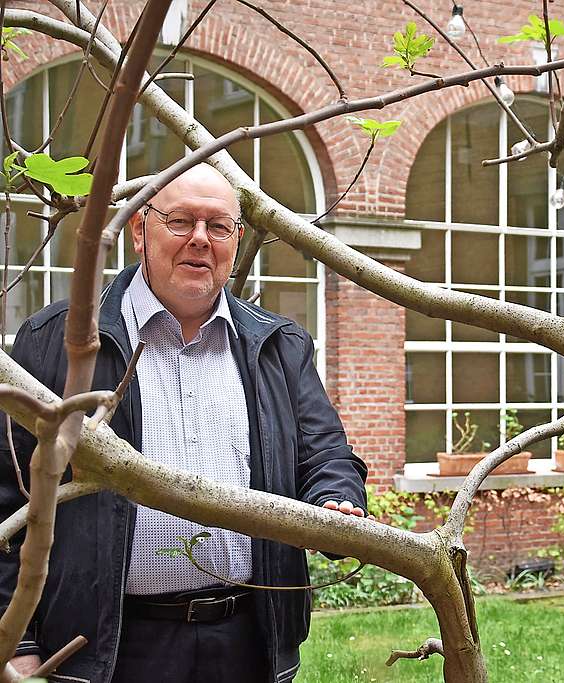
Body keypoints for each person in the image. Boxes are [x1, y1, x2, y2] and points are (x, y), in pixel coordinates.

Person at [0, 164, 368, 683]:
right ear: (138, 231)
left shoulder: (279, 346)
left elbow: (325, 454)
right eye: (180, 221)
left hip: (249, 640)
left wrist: (335, 500)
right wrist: (19, 639)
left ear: (236, 241)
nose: (200, 240)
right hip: (108, 647)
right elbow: (7, 494)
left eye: (218, 227)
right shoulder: (56, 342)